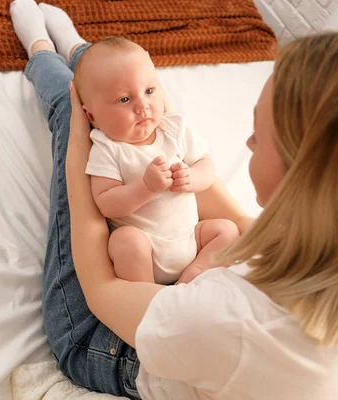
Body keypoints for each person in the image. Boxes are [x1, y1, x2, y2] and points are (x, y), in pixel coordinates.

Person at [11, 0, 338, 398]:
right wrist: (160, 131)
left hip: (104, 339)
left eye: (259, 133)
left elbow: (101, 293)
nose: (248, 141)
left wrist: (80, 140)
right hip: (188, 316)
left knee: (75, 108)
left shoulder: (227, 320)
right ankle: (87, 55)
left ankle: (44, 51)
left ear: (306, 173)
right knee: (141, 102)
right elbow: (237, 218)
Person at [74, 37, 240, 284]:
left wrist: (192, 178)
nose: (143, 106)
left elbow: (206, 166)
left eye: (149, 91)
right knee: (125, 241)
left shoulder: (172, 127)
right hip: (147, 250)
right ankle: (148, 292)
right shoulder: (107, 147)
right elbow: (106, 203)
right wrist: (146, 188)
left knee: (228, 231)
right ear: (93, 116)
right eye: (124, 99)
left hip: (189, 239)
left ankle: (193, 274)